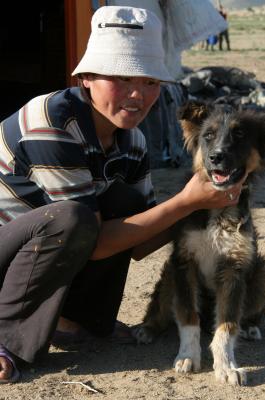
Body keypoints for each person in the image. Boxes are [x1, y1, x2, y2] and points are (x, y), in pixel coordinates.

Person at [0, 6, 245, 383]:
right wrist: (186, 201)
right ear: (86, 79)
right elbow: (92, 240)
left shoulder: (131, 140)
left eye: (150, 82)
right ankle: (5, 340)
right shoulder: (50, 122)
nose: (137, 95)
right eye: (120, 78)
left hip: (37, 258)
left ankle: (80, 321)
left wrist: (207, 206)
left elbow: (140, 240)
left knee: (126, 205)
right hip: (7, 254)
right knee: (73, 218)